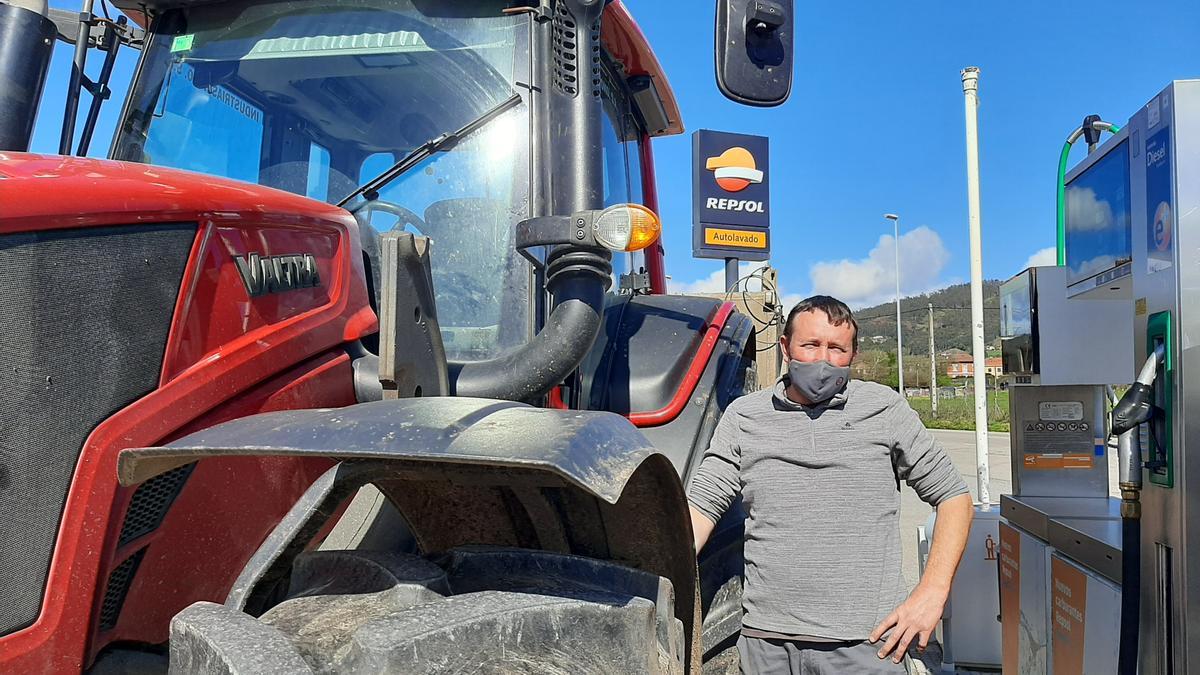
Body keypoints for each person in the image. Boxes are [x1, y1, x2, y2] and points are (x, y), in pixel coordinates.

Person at [688, 295, 973, 674]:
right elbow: (701, 506)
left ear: (852, 354)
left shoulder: (883, 410)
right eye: (810, 345)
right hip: (767, 647)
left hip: (867, 647)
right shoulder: (745, 416)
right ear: (786, 348)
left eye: (836, 348)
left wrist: (932, 594)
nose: (823, 360)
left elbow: (954, 497)